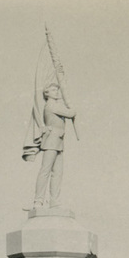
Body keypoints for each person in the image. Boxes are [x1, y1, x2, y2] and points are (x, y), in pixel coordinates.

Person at [32, 82, 76, 210]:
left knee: (58, 172)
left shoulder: (56, 105)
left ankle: (54, 200)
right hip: (51, 140)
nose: (56, 92)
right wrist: (71, 107)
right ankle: (38, 201)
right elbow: (71, 113)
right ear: (47, 93)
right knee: (45, 170)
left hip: (59, 141)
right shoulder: (51, 106)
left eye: (57, 90)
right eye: (53, 90)